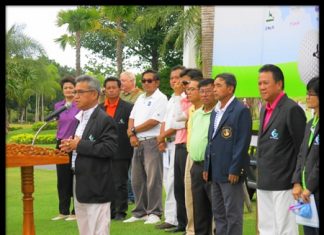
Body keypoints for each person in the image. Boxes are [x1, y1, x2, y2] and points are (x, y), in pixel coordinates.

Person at [59, 75, 118, 235]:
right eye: (74, 92)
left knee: (98, 230)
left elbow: (109, 148)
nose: (74, 96)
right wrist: (71, 145)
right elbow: (84, 145)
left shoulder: (104, 119)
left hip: (97, 183)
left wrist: (79, 145)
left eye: (79, 92)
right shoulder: (80, 118)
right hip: (80, 180)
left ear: (94, 94)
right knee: (84, 229)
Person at [256, 64, 306, 235]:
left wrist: (297, 181)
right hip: (264, 180)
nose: (262, 87)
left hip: (284, 183)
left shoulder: (292, 109)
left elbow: (302, 148)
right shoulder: (264, 108)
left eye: (266, 83)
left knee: (285, 230)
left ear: (279, 84)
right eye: (260, 83)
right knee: (266, 228)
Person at [203, 73, 252, 235]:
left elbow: (242, 143)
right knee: (219, 213)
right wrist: (206, 166)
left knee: (233, 213)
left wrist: (235, 169)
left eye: (218, 85)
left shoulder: (240, 110)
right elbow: (211, 141)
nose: (214, 89)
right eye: (214, 85)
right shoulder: (216, 111)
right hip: (214, 170)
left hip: (230, 171)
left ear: (230, 89)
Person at [123, 69, 168, 224]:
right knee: (137, 179)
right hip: (137, 142)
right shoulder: (141, 97)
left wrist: (134, 130)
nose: (146, 83)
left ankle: (154, 212)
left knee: (153, 178)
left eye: (150, 80)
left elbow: (154, 121)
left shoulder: (161, 98)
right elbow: (131, 117)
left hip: (152, 141)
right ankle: (140, 212)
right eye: (144, 81)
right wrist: (132, 135)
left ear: (157, 82)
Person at [155, 65, 186, 231]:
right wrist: (161, 139)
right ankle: (170, 217)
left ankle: (176, 219)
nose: (174, 81)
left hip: (178, 142)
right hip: (167, 144)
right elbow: (165, 121)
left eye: (178, 77)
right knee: (167, 181)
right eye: (172, 78)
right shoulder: (172, 99)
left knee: (175, 181)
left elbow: (179, 123)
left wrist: (162, 135)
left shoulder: (185, 99)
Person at [100, 76, 134, 221]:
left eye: (114, 87)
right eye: (108, 88)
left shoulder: (128, 107)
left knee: (120, 182)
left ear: (120, 89)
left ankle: (121, 211)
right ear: (105, 90)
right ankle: (110, 210)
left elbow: (131, 128)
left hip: (122, 150)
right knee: (106, 182)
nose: (111, 90)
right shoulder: (100, 109)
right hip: (103, 151)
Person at [188, 78, 216, 235]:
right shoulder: (196, 114)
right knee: (199, 209)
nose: (205, 94)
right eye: (202, 91)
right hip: (196, 165)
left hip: (211, 166)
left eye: (209, 91)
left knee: (216, 208)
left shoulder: (218, 113)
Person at [292, 76, 319, 235]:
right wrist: (296, 182)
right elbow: (301, 155)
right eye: (307, 93)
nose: (307, 97)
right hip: (305, 193)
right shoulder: (310, 123)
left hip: (313, 190)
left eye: (311, 94)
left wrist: (310, 188)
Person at [52, 76, 79, 221]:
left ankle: (75, 212)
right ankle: (63, 211)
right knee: (62, 179)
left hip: (74, 144)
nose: (68, 90)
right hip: (61, 145)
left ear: (75, 89)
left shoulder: (79, 104)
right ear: (62, 90)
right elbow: (59, 124)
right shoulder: (58, 106)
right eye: (65, 88)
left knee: (75, 177)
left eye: (70, 87)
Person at [119, 70, 144, 204]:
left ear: (132, 81)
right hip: (120, 136)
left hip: (134, 135)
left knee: (132, 169)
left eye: (123, 80)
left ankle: (132, 196)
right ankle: (126, 195)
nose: (120, 83)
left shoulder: (140, 96)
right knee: (122, 169)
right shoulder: (120, 95)